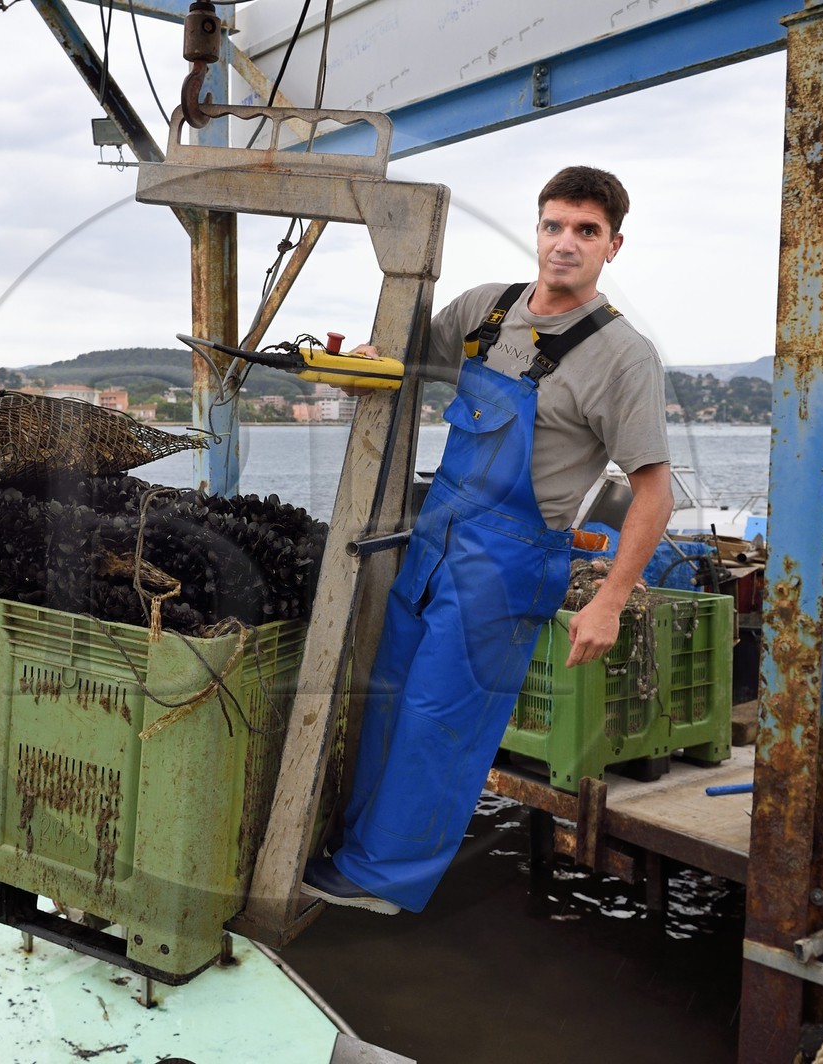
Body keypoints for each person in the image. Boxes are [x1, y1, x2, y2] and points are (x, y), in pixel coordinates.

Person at [301, 165, 674, 915]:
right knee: (390, 696)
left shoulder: (623, 356)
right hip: (437, 533)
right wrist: (360, 366)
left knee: (444, 719)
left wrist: (609, 601)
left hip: (509, 560)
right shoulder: (485, 310)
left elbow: (654, 491)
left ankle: (384, 880)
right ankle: (356, 846)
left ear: (613, 247)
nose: (565, 244)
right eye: (554, 225)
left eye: (586, 232)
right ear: (537, 229)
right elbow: (407, 367)